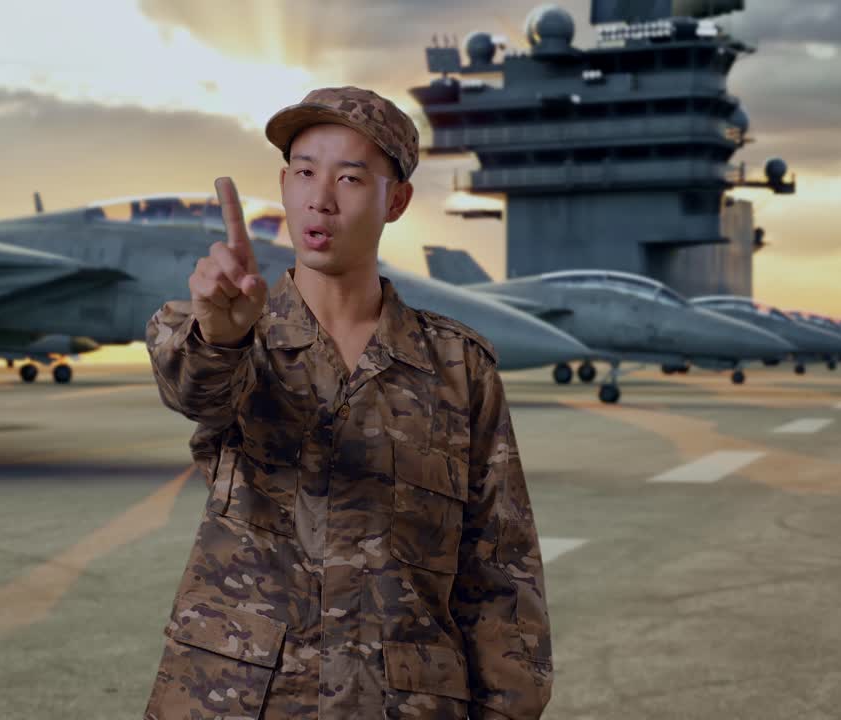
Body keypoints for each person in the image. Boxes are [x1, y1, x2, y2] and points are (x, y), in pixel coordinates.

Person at [143, 86, 552, 719]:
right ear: (283, 183)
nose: (320, 198)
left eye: (351, 178)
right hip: (234, 698)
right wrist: (223, 337)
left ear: (397, 200)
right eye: (304, 172)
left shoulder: (457, 368)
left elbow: (500, 574)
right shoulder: (223, 335)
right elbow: (193, 388)